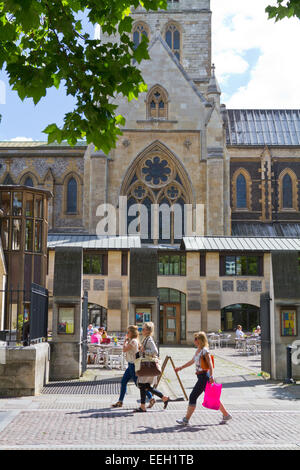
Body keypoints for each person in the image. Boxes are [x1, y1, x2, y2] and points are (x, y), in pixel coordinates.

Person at [175, 331, 232, 426]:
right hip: (201, 376)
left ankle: (186, 419)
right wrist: (180, 368)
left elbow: (210, 364)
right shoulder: (198, 350)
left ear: (200, 340)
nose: (194, 340)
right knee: (213, 397)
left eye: (196, 339)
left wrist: (211, 376)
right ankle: (226, 415)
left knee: (193, 396)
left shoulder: (205, 350)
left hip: (204, 377)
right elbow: (191, 361)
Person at [111, 325, 153, 408]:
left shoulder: (133, 341)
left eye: (128, 332)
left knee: (139, 385)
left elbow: (124, 349)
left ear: (131, 333)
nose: (127, 334)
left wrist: (124, 342)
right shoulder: (133, 340)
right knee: (124, 382)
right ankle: (120, 401)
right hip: (130, 364)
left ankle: (151, 398)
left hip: (133, 365)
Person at [134, 322, 169, 413]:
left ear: (148, 331)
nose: (142, 330)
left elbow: (155, 351)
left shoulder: (149, 339)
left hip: (147, 366)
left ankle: (143, 407)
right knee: (145, 386)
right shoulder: (146, 339)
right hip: (147, 366)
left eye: (144, 329)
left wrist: (144, 350)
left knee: (143, 385)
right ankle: (164, 398)